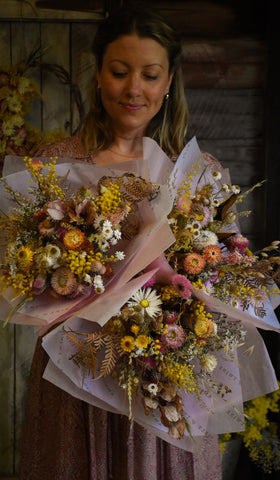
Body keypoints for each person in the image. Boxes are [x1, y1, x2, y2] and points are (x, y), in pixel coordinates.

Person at [19, 3, 222, 479]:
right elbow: (26, 281)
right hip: (78, 370)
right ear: (99, 76)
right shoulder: (56, 166)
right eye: (119, 71)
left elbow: (218, 277)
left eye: (150, 75)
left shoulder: (197, 173)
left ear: (170, 81)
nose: (134, 88)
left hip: (164, 378)